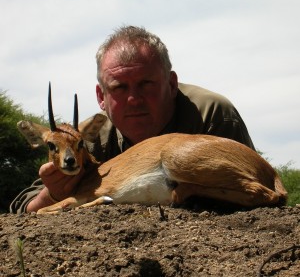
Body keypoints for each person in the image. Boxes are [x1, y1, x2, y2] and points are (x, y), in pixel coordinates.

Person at [10, 26, 255, 214]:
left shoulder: (212, 114)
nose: (133, 99)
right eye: (119, 87)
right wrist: (52, 194)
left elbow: (249, 181)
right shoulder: (85, 139)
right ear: (101, 97)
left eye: (146, 84)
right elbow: (24, 207)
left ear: (171, 84)